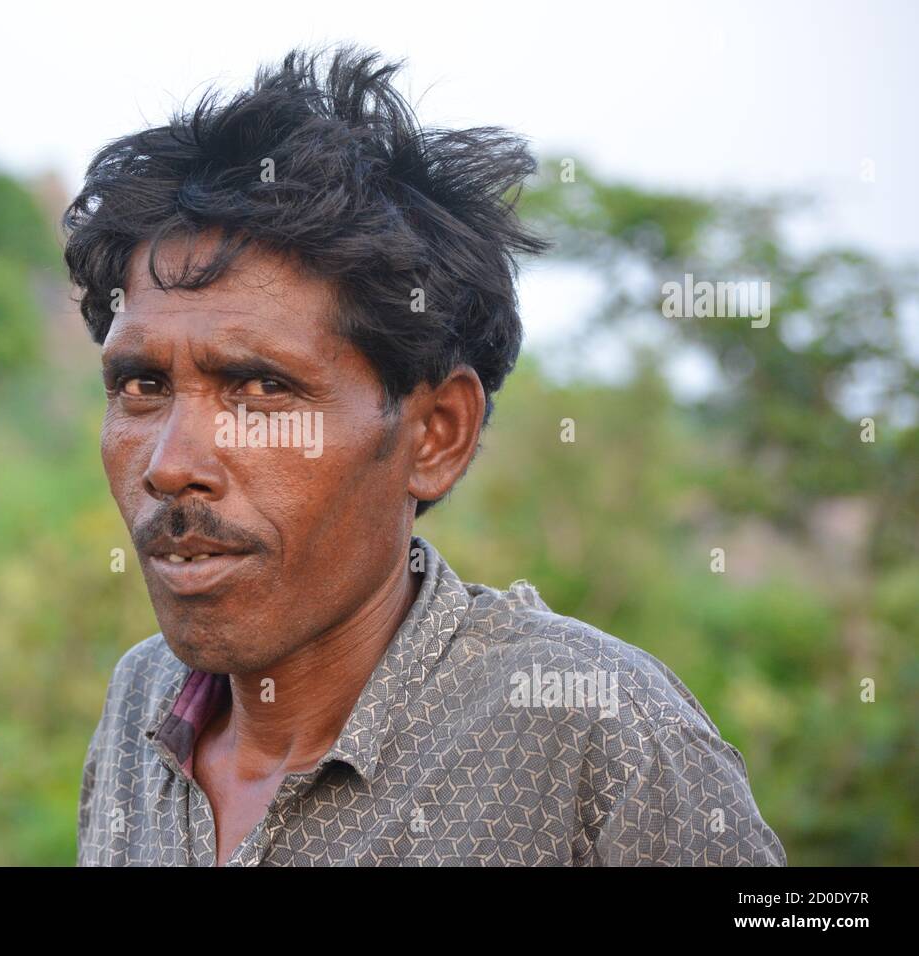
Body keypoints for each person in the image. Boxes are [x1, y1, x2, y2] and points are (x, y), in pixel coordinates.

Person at [62, 43, 786, 866]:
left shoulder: (597, 735)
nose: (170, 463)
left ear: (436, 433)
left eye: (261, 390)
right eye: (141, 385)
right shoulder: (143, 706)